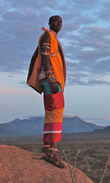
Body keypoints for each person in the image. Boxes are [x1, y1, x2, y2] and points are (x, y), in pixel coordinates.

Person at [26, 15, 66, 168]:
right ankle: (51, 150)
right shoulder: (47, 36)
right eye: (55, 21)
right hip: (51, 79)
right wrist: (50, 74)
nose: (58, 23)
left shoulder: (52, 37)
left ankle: (49, 147)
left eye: (60, 21)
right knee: (55, 110)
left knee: (55, 111)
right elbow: (45, 54)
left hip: (53, 79)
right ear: (50, 23)